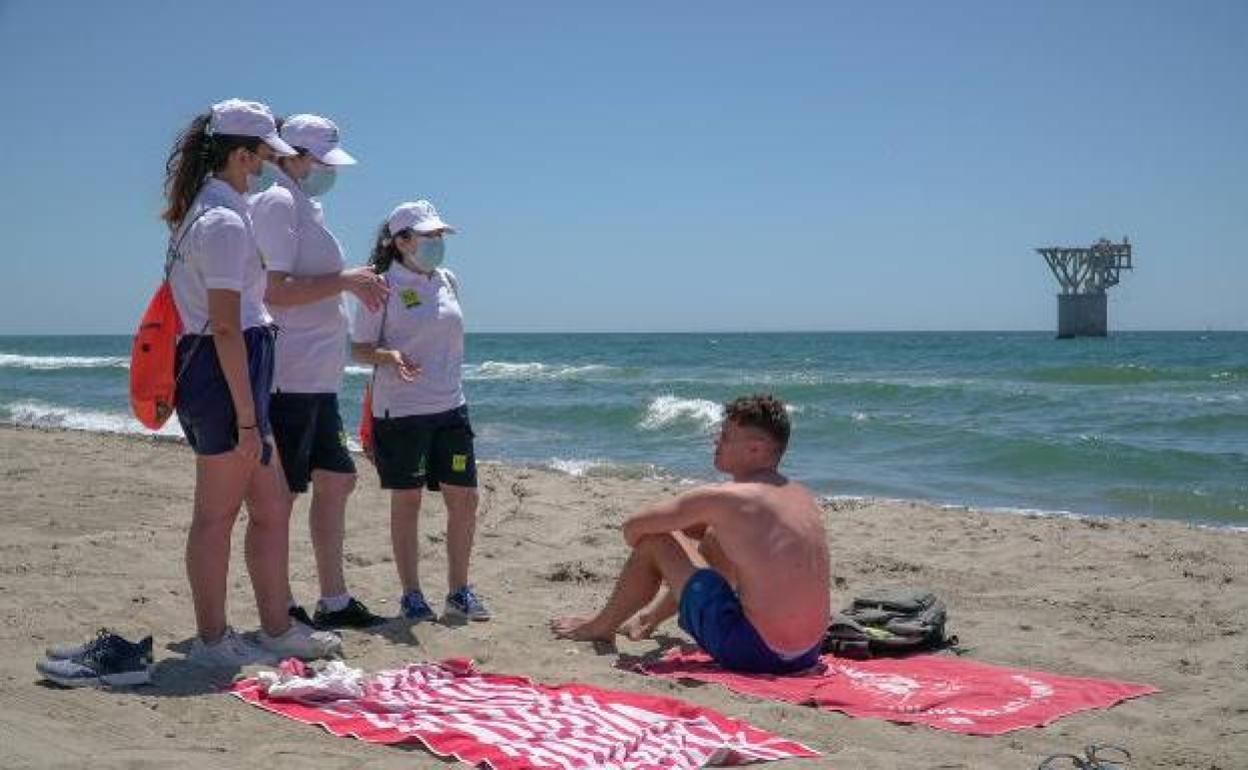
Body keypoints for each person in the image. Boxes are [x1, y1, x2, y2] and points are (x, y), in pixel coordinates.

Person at [162, 99, 342, 665]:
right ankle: (213, 641)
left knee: (271, 506)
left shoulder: (222, 210)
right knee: (215, 516)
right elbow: (223, 325)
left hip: (236, 372)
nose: (269, 165)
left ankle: (275, 627)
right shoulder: (219, 220)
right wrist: (246, 418)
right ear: (241, 154)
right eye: (265, 155)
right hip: (222, 378)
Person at [551, 393, 829, 674]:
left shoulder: (728, 498)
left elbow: (633, 528)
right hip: (807, 653)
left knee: (656, 542)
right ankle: (648, 619)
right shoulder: (800, 494)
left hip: (757, 652)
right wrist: (702, 536)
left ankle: (600, 627)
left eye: (725, 436)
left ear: (755, 449)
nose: (715, 441)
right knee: (717, 536)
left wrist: (671, 549)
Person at [249, 113, 388, 629]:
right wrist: (347, 281)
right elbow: (274, 289)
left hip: (316, 375)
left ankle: (334, 599)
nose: (327, 171)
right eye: (321, 160)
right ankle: (281, 605)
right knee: (282, 494)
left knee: (338, 479)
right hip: (289, 372)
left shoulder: (302, 201)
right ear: (294, 155)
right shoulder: (278, 201)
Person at [350, 200, 490, 623]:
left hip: (451, 407)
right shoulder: (380, 285)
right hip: (402, 411)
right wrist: (390, 356)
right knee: (407, 500)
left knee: (464, 499)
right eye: (428, 236)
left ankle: (458, 591)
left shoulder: (447, 279)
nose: (436, 242)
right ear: (401, 241)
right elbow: (357, 349)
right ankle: (411, 594)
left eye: (439, 235)